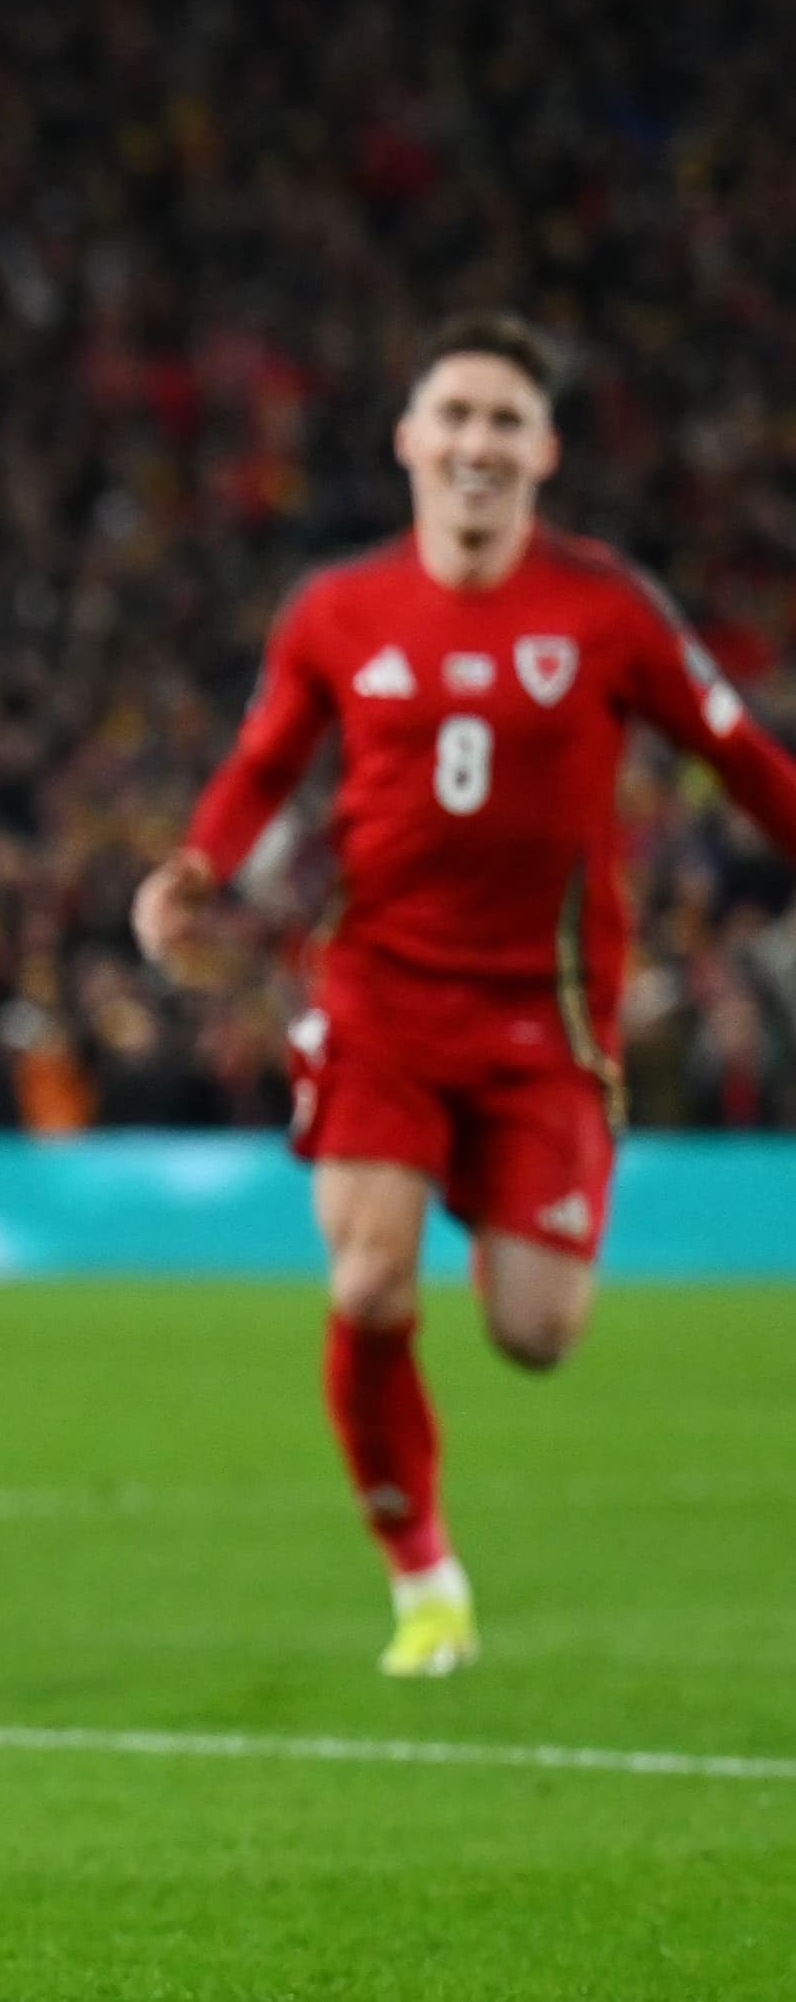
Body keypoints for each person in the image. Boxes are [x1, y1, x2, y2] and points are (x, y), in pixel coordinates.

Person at [134, 313, 796, 1678]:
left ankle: (478, 1189)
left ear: (544, 452)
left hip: (544, 1018)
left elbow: (739, 757)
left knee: (534, 1332)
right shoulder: (336, 609)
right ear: (410, 440)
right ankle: (423, 1577)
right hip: (378, 992)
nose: (479, 443)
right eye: (457, 416)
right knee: (371, 1278)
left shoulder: (608, 609)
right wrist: (195, 865)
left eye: (507, 421)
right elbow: (266, 759)